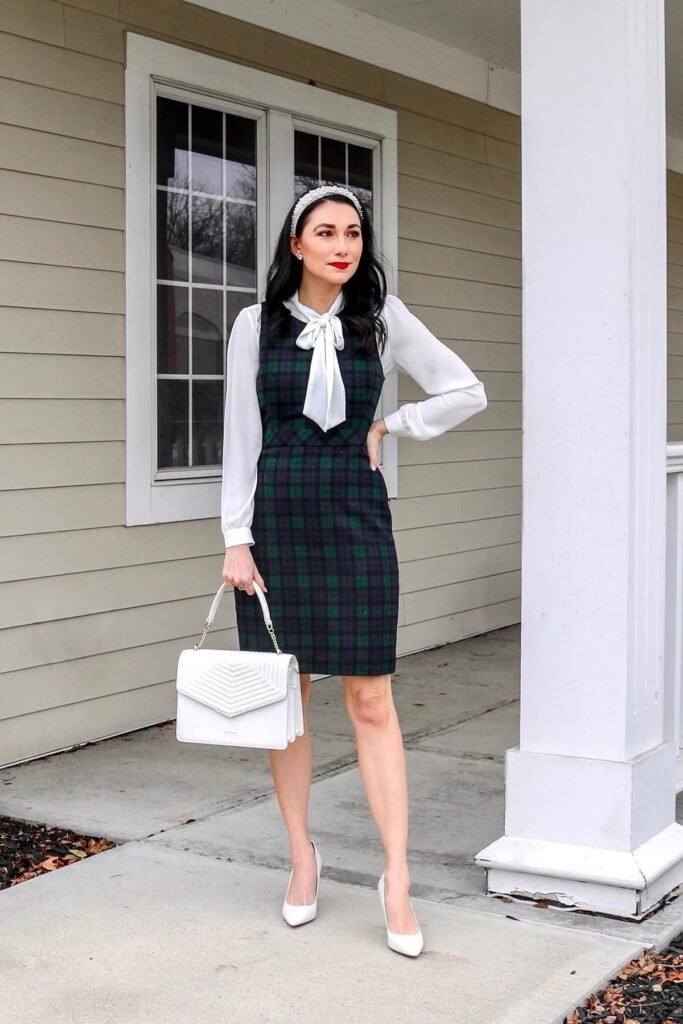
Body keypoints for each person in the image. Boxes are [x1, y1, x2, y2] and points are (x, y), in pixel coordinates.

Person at [220, 184, 487, 957]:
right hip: (277, 524)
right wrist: (235, 537)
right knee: (287, 700)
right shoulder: (252, 325)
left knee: (371, 700)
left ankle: (395, 878)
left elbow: (465, 389)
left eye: (353, 233)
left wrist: (392, 422)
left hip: (356, 521)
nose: (342, 245)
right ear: (295, 245)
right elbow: (240, 435)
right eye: (324, 232)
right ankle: (303, 856)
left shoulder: (382, 320)